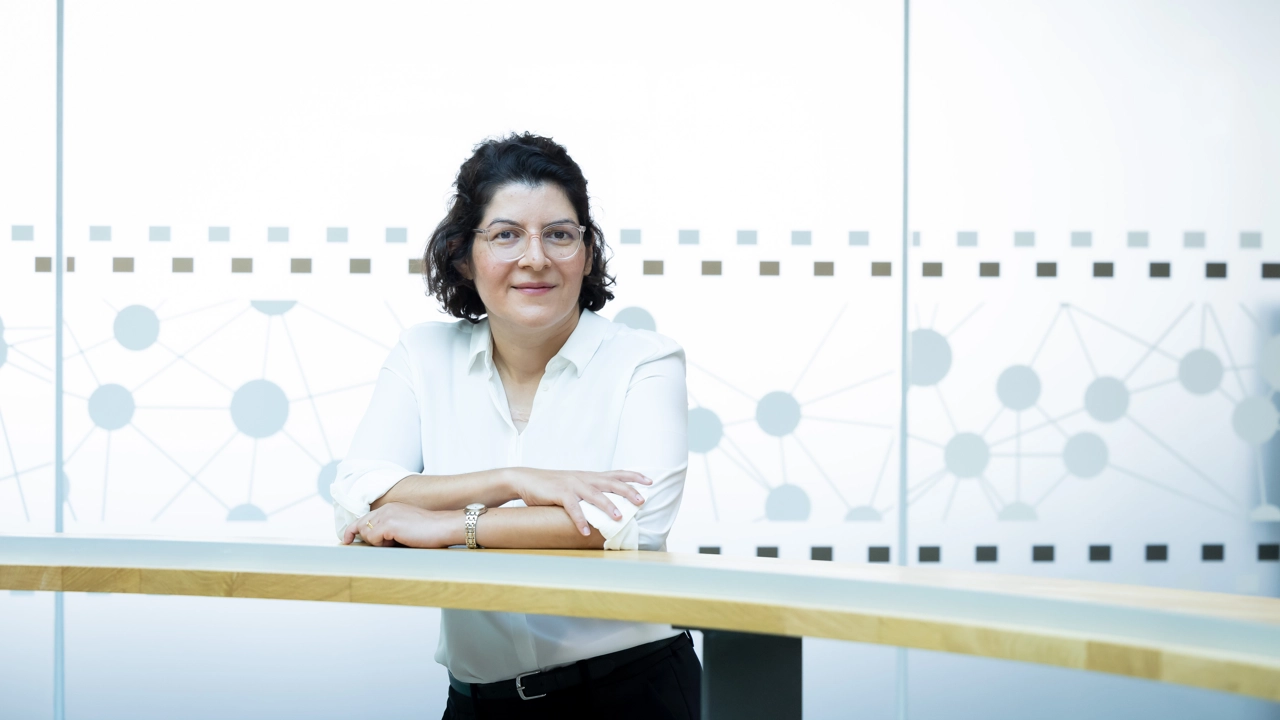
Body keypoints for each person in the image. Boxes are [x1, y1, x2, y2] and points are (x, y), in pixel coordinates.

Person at [329, 132, 700, 719]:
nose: (535, 258)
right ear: (462, 255)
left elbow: (634, 524)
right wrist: (511, 481)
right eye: (506, 235)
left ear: (587, 253)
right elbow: (358, 496)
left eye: (560, 234)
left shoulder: (645, 361)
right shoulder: (423, 355)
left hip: (631, 691)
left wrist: (450, 524)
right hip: (478, 703)